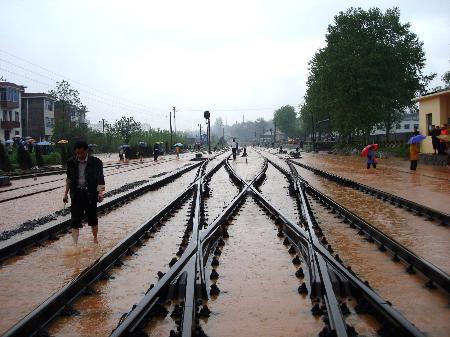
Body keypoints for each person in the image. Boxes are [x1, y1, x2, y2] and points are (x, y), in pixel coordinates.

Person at [63, 141, 105, 245]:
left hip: (90, 194)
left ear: (86, 151)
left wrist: (100, 193)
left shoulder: (96, 162)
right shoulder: (71, 162)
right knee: (75, 220)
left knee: (93, 218)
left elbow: (100, 178)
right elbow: (69, 179)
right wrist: (65, 194)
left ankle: (95, 239)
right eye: (77, 153)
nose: (79, 155)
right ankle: (75, 244)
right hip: (76, 194)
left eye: (81, 153)